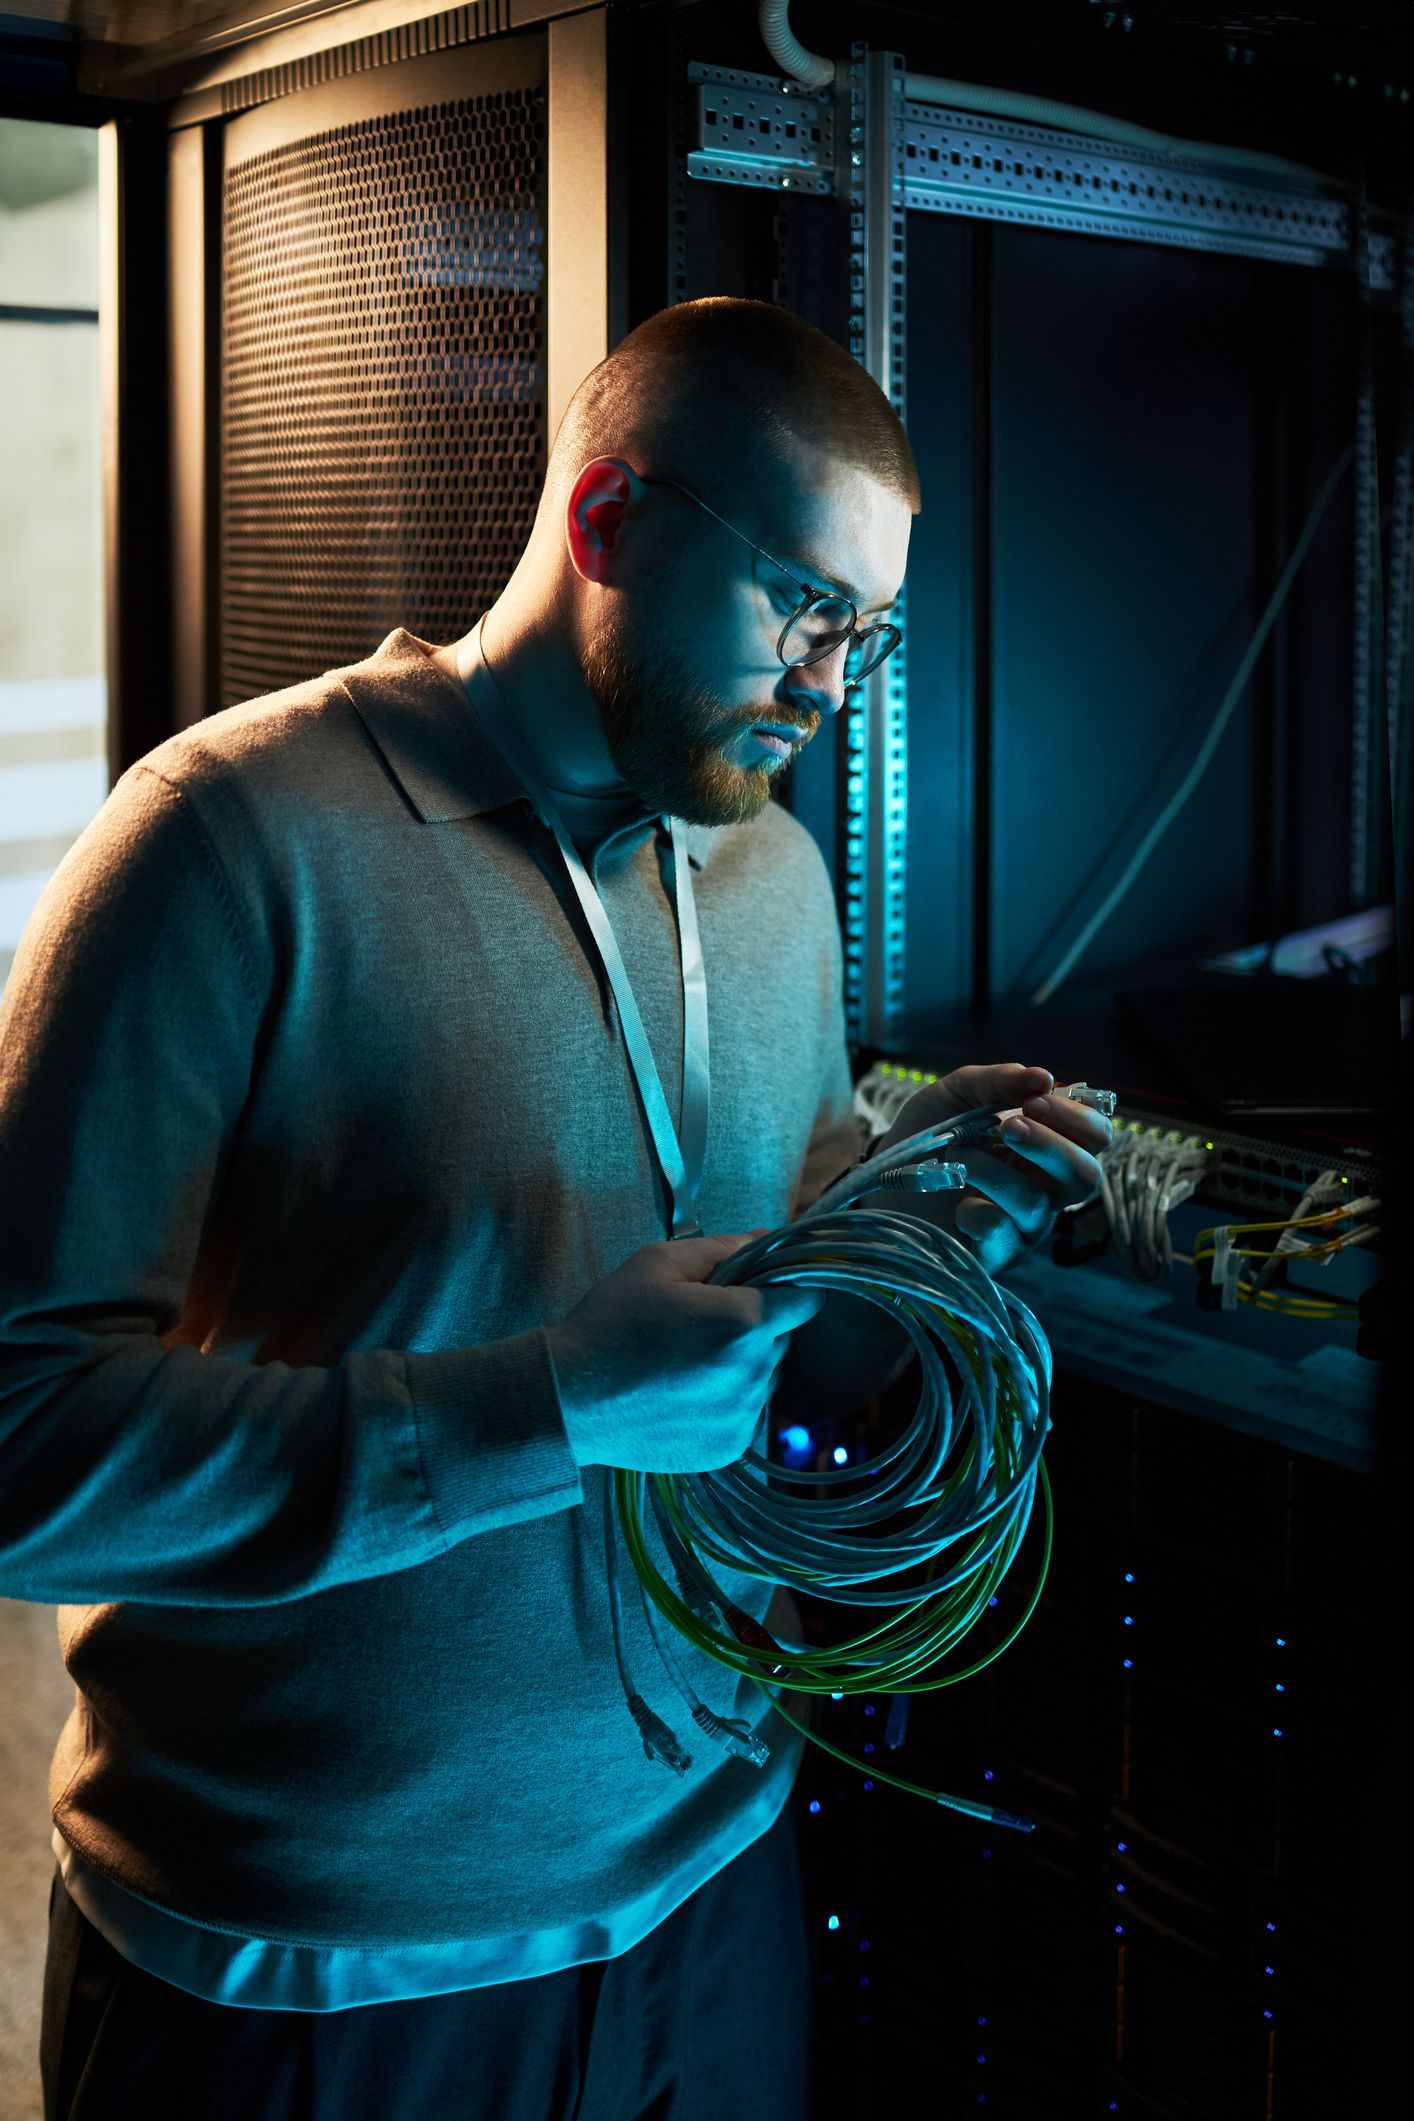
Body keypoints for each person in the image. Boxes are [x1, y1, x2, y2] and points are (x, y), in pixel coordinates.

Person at [1, 296, 1106, 2120]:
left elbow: (762, 1352)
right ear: (605, 523)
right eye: (799, 605)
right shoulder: (222, 841)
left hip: (710, 1889)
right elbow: (21, 1442)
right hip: (316, 1975)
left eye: (868, 631)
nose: (830, 685)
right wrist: (546, 1402)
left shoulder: (774, 873)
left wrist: (926, 1228)